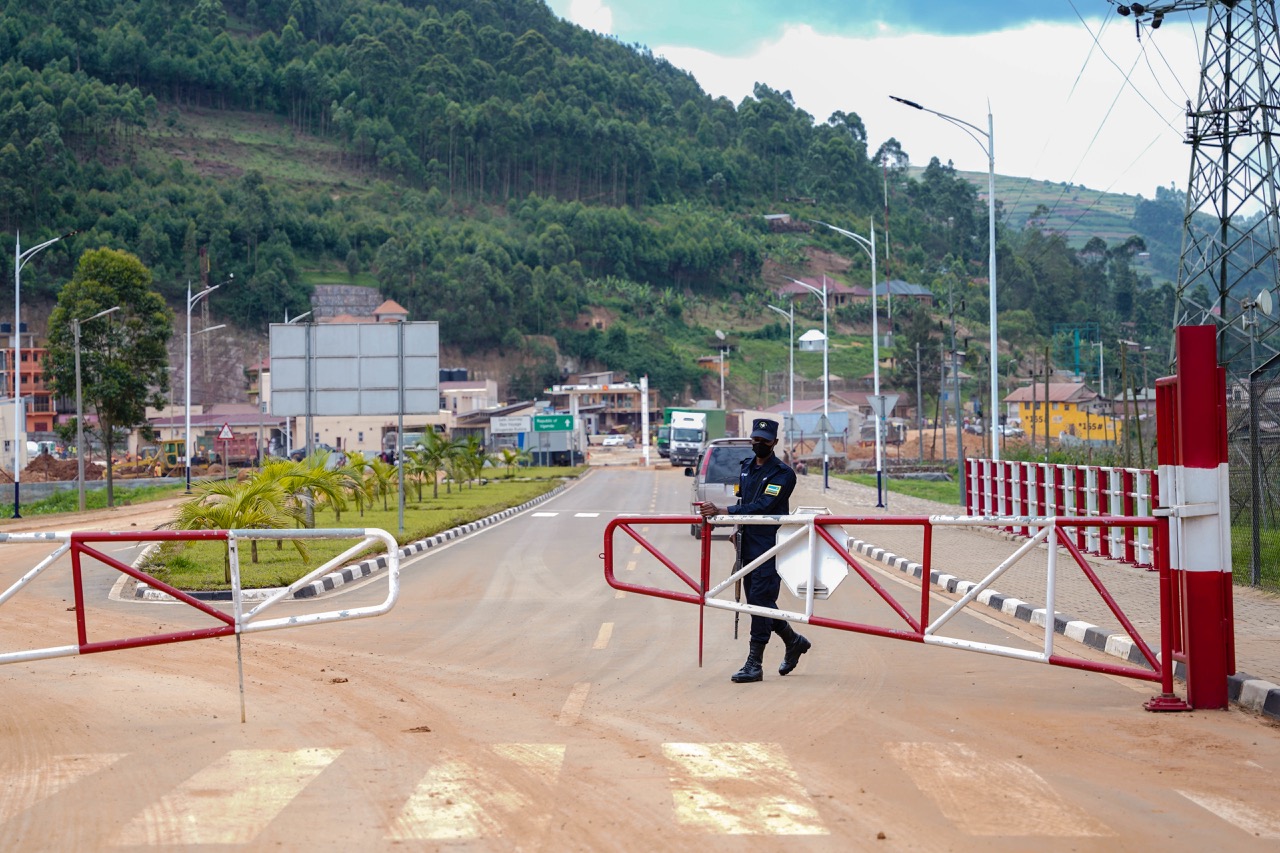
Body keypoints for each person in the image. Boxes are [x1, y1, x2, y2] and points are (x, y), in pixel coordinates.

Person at [696, 417, 810, 683]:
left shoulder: (783, 474)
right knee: (758, 603)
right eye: (755, 439)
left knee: (760, 600)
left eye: (764, 441)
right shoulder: (746, 467)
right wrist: (736, 530)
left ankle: (754, 663)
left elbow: (764, 505)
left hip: (769, 546)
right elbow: (746, 500)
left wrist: (725, 511)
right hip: (747, 544)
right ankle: (793, 641)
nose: (758, 444)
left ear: (774, 443)